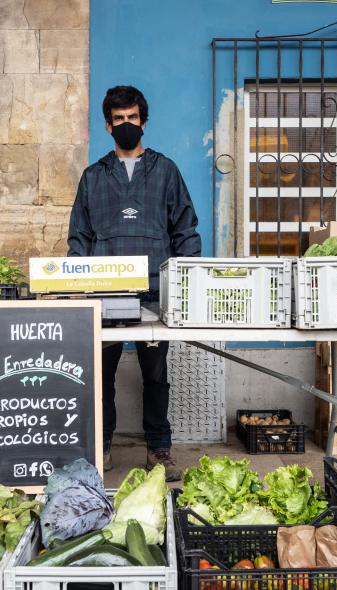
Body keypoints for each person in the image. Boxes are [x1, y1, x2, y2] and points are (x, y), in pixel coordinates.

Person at [67, 85, 201, 481]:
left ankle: (159, 450)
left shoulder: (166, 170)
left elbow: (185, 229)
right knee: (101, 373)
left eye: (133, 118)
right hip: (105, 293)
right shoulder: (93, 177)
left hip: (157, 293)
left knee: (156, 375)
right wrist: (77, 280)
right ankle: (101, 447)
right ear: (108, 125)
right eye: (119, 119)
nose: (127, 124)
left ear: (143, 121)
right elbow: (79, 236)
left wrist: (188, 280)